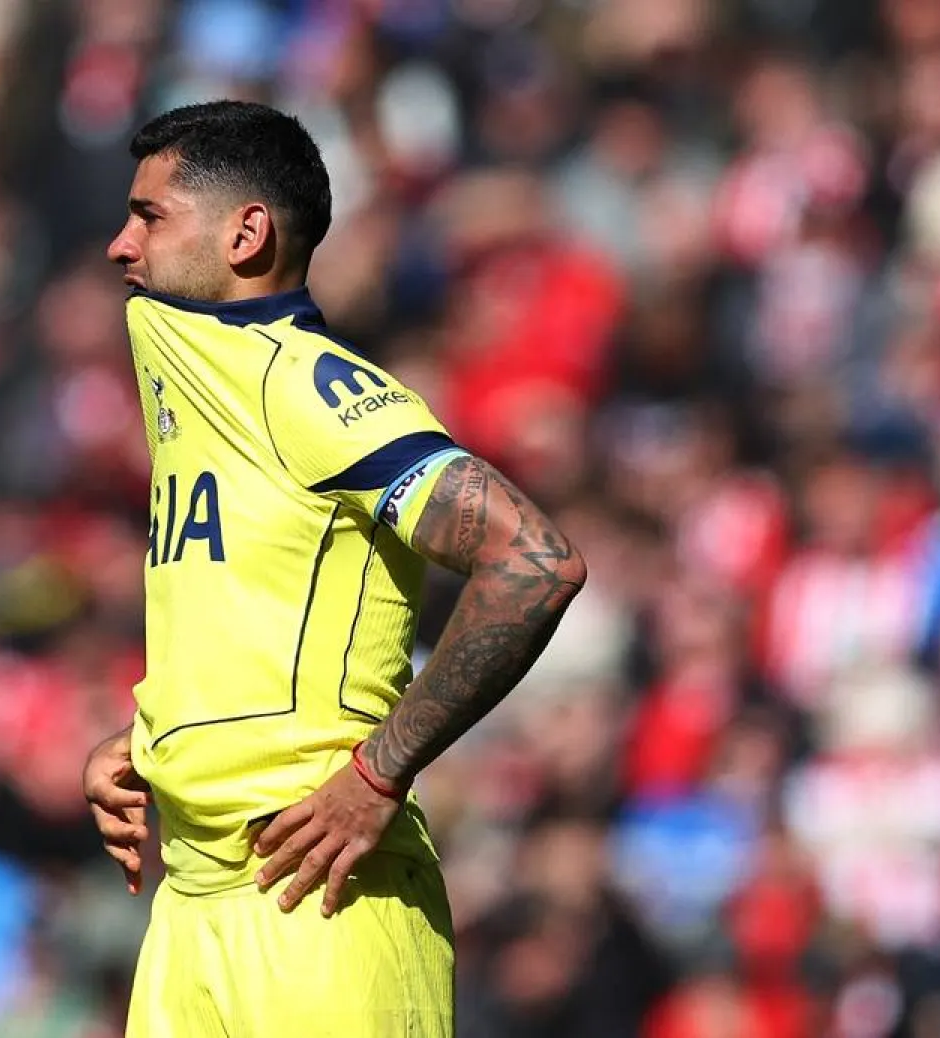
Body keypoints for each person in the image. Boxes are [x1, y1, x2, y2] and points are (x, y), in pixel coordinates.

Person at [83, 100, 587, 1038]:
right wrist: (156, 736)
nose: (120, 246)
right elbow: (261, 599)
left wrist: (379, 773)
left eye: (149, 216)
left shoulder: (309, 385)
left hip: (317, 899)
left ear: (246, 232)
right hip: (188, 910)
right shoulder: (198, 381)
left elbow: (536, 560)